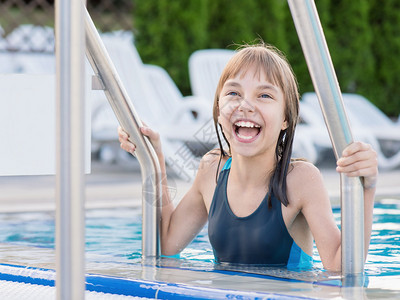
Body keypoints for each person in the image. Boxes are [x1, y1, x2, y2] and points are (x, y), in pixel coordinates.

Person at [118, 42, 378, 271]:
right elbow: (167, 244)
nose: (245, 105)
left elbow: (340, 266)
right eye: (233, 93)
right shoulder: (211, 169)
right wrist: (154, 159)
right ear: (219, 111)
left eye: (264, 95)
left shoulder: (300, 180)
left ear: (286, 117)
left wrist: (366, 189)